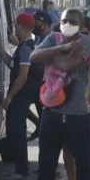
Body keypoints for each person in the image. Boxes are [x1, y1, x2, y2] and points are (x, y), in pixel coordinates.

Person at [18, 9, 90, 180]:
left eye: (72, 21)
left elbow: (66, 66)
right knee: (46, 165)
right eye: (63, 21)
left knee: (84, 165)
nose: (67, 24)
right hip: (51, 110)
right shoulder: (55, 39)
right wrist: (63, 48)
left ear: (81, 25)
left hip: (77, 114)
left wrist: (52, 55)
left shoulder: (87, 43)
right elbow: (33, 56)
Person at [57, 16, 90, 180]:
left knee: (86, 153)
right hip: (68, 106)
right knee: (68, 148)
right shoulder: (67, 47)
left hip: (88, 108)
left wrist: (86, 104)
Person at [0, 13, 43, 179]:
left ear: (21, 27)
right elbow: (14, 65)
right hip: (27, 93)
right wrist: (3, 54)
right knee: (16, 130)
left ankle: (21, 169)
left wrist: (9, 96)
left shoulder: (25, 48)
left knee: (17, 132)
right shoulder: (27, 46)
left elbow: (22, 75)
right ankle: (20, 168)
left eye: (16, 26)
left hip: (22, 94)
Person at [25, 10, 54, 142]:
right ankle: (39, 125)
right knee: (20, 105)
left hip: (46, 83)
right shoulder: (37, 39)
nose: (36, 27)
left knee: (46, 118)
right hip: (36, 82)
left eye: (38, 24)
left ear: (46, 25)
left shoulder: (53, 39)